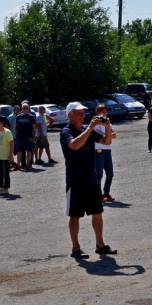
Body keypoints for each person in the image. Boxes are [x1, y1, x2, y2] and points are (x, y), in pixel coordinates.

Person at [60, 102, 116, 259]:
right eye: (78, 112)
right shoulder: (66, 131)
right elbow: (75, 145)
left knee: (97, 213)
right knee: (75, 215)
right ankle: (76, 248)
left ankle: (100, 245)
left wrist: (107, 125)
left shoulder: (86, 129)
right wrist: (91, 128)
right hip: (75, 180)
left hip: (91, 179)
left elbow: (107, 141)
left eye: (83, 112)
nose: (82, 115)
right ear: (70, 114)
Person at [91, 104, 116, 202]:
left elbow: (114, 135)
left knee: (110, 174)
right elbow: (102, 136)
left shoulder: (108, 123)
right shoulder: (95, 123)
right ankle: (99, 194)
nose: (105, 114)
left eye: (106, 112)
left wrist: (107, 135)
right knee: (99, 174)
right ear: (98, 113)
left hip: (107, 149)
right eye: (103, 112)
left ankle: (107, 193)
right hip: (98, 150)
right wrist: (108, 134)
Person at [0, 117, 14, 194]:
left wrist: (11, 154)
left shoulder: (7, 132)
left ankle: (6, 188)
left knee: (5, 173)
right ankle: (1, 188)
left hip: (6, 156)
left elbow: (11, 143)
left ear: (2, 123)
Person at [15, 102, 38, 171]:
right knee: (19, 150)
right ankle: (18, 164)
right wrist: (17, 133)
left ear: (28, 109)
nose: (25, 109)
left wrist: (33, 137)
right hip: (20, 136)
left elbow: (34, 127)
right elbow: (15, 126)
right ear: (21, 109)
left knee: (29, 150)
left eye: (26, 108)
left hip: (28, 136)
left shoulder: (31, 117)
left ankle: (27, 164)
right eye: (23, 108)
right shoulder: (18, 116)